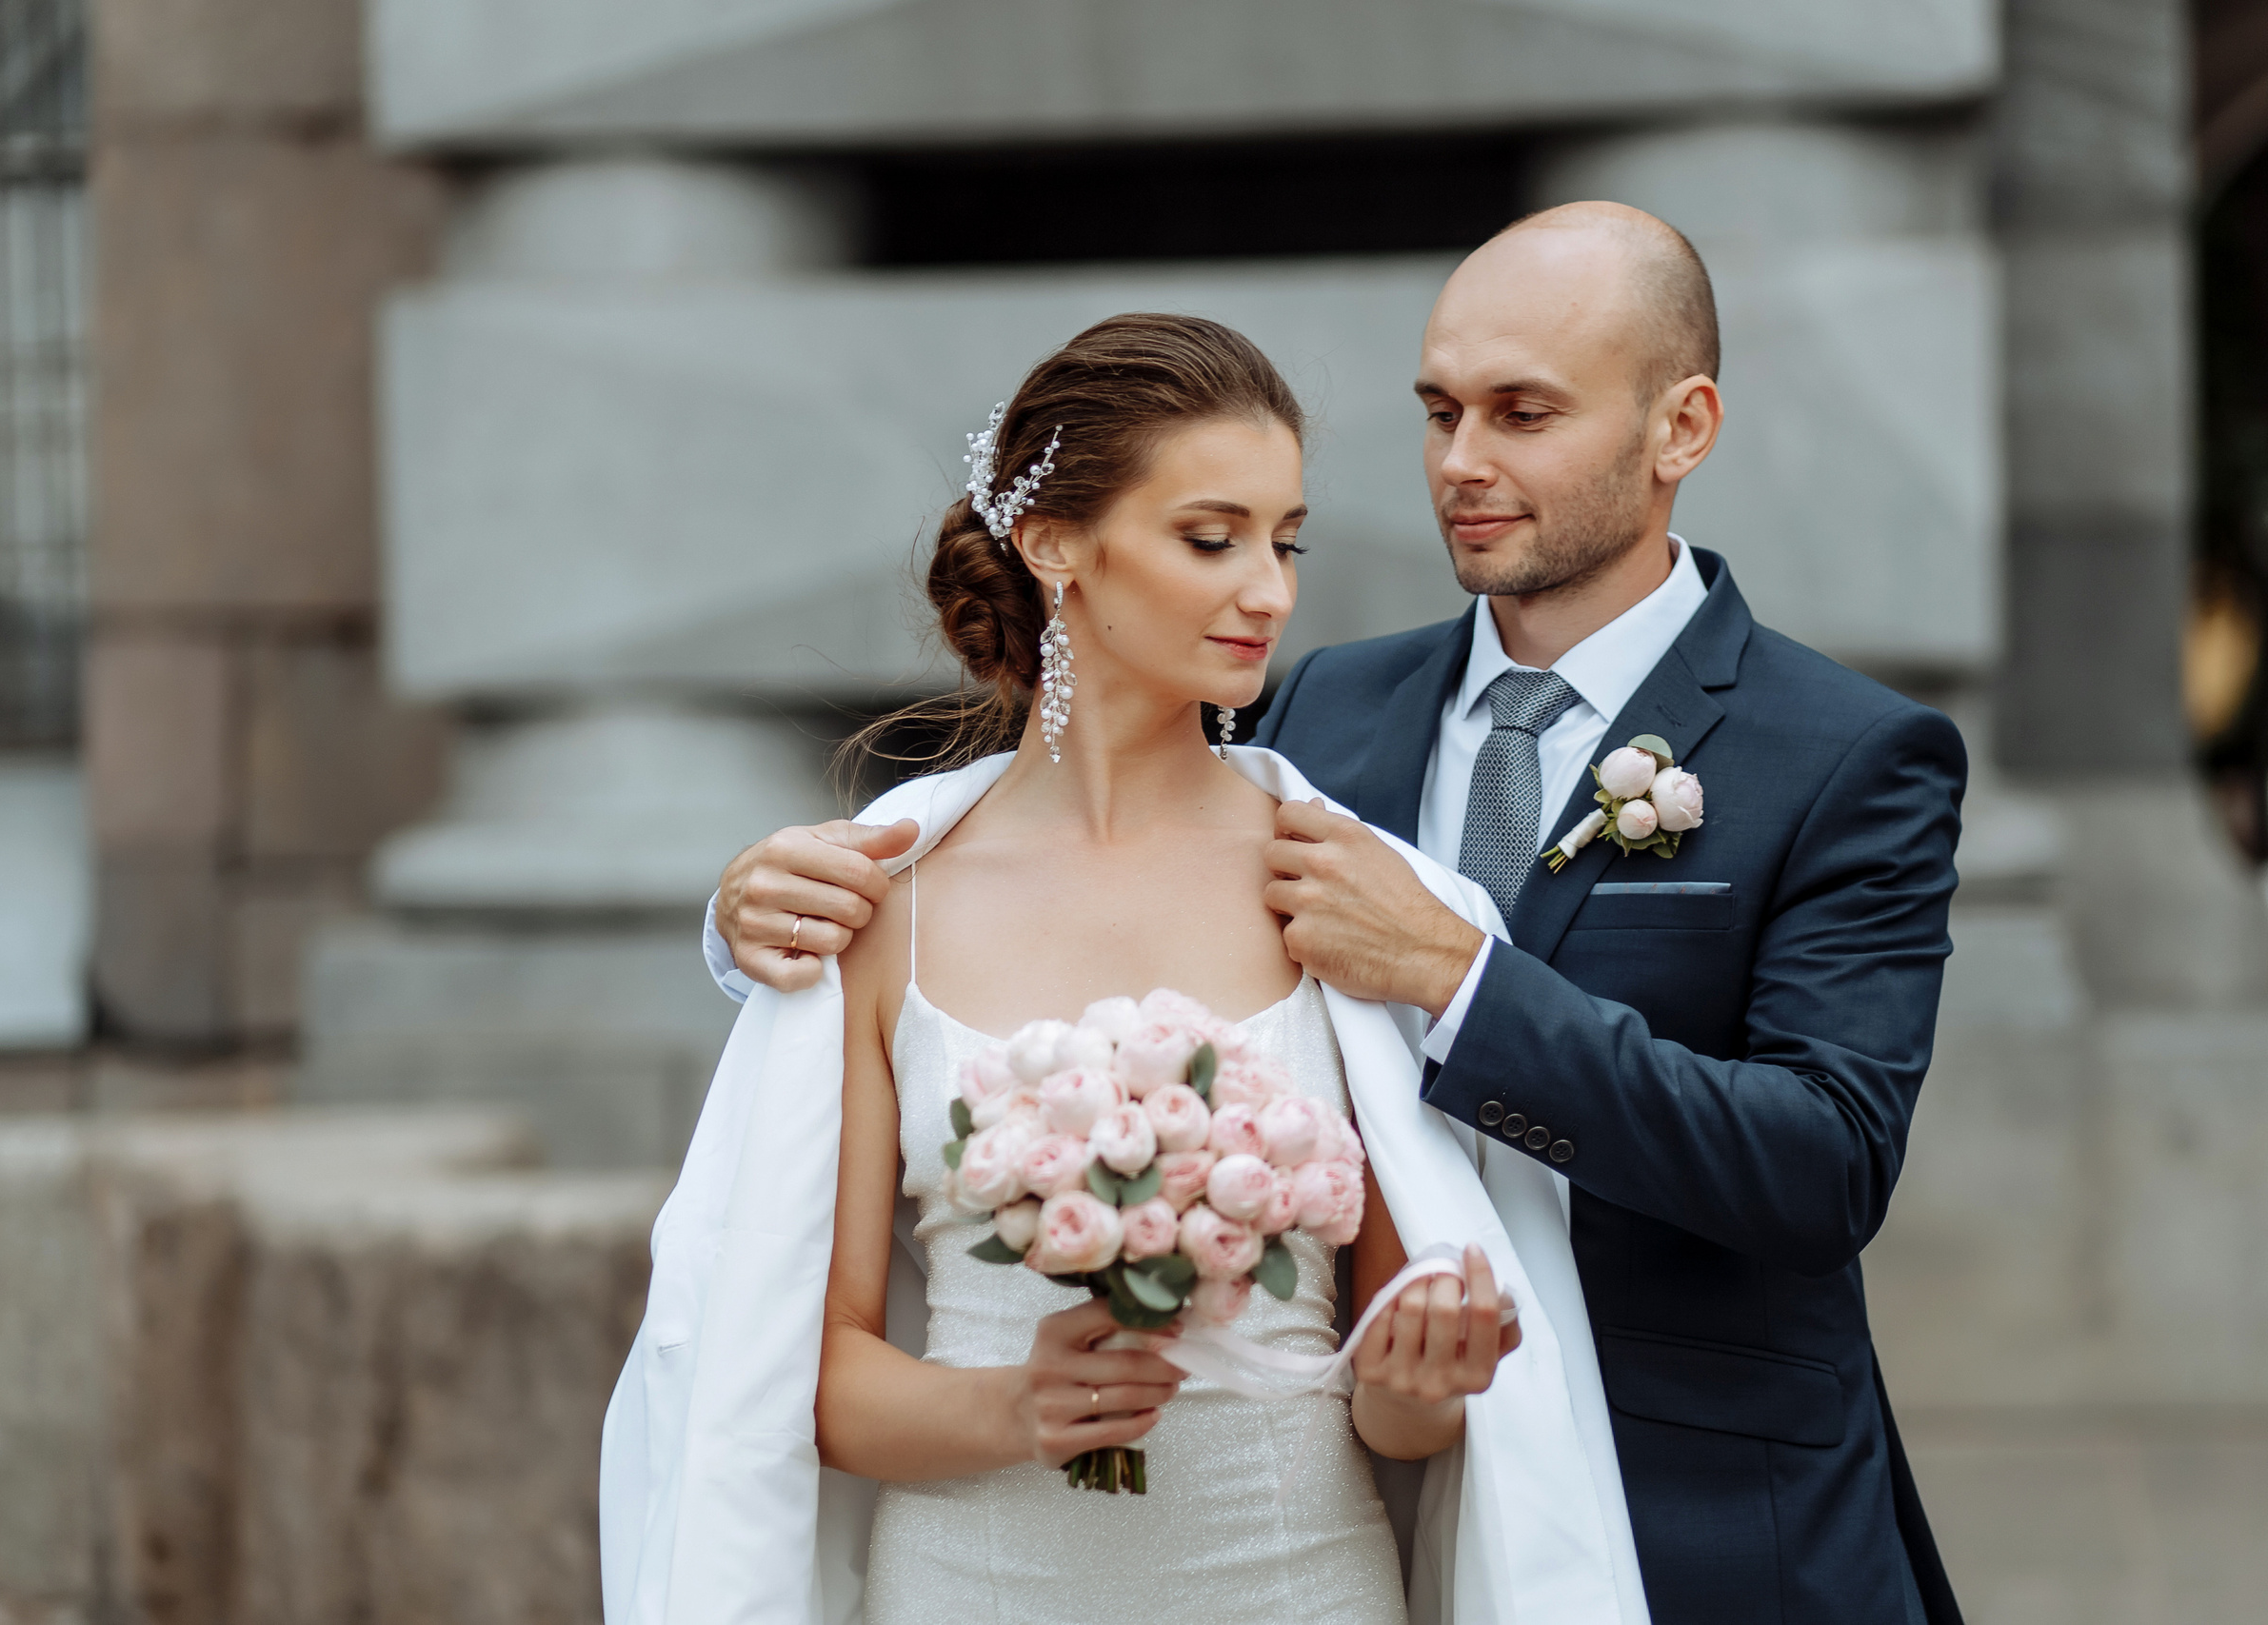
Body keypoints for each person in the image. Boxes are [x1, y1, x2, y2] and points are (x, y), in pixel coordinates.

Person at [701, 205, 1970, 1625]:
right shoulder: (1323, 715)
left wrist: (1460, 979)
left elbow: (1825, 1165)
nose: (1461, 461)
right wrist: (757, 922)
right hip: (1221, 1516)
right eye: (1439, 411)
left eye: (1523, 413)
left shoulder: (1849, 755)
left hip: (1708, 1514)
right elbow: (1073, 857)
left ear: (1681, 428)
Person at [603, 314, 1649, 1625]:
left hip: (1298, 1590)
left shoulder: (1337, 894)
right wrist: (1014, 1407)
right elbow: (809, 1379)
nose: (1269, 591)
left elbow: (1398, 1412)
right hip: (973, 1593)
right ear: (1054, 545)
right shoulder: (886, 906)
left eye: (1286, 542)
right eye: (1213, 539)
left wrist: (1424, 1380)